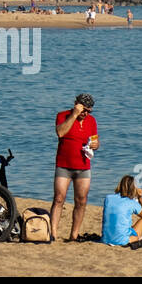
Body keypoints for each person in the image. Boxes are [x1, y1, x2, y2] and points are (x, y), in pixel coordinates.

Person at [50, 92, 99, 242]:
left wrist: (95, 145)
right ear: (76, 105)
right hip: (64, 165)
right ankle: (52, 233)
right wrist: (74, 114)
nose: (85, 113)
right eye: (83, 110)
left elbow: (95, 140)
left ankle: (74, 235)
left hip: (83, 166)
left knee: (81, 200)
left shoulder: (91, 121)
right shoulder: (63, 116)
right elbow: (60, 132)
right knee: (59, 198)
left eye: (88, 111)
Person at [101, 174, 142, 245]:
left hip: (105, 239)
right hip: (122, 241)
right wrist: (140, 198)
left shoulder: (108, 198)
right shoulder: (131, 202)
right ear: (133, 188)